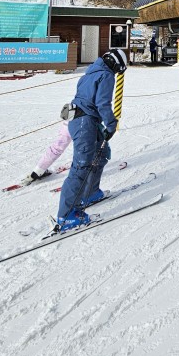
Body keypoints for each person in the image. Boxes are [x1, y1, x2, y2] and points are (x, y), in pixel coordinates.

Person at [54, 48, 127, 232]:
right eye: (119, 70)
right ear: (115, 65)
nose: (117, 74)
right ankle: (67, 215)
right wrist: (111, 125)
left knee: (101, 155)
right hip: (84, 123)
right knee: (81, 167)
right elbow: (103, 103)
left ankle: (90, 193)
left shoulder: (90, 72)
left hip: (87, 121)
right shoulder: (106, 75)